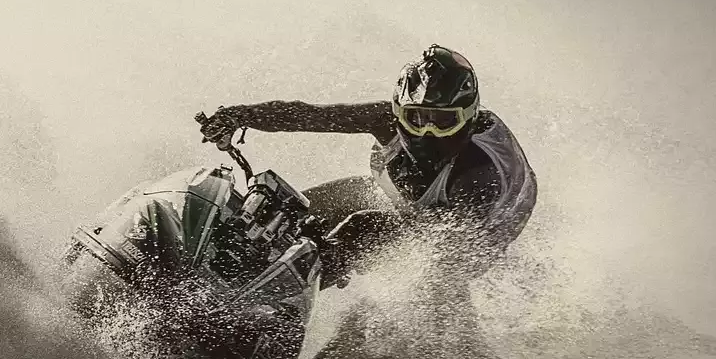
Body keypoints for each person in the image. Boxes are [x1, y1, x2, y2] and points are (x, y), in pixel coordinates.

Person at [197, 44, 537, 290]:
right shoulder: (384, 119)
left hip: (483, 229)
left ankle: (279, 295)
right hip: (421, 206)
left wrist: (332, 251)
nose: (427, 133)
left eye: (442, 122)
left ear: (469, 116)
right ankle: (225, 253)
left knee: (362, 233)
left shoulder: (479, 176)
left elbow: (436, 254)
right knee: (299, 207)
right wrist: (240, 116)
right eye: (415, 119)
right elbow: (312, 115)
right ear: (398, 111)